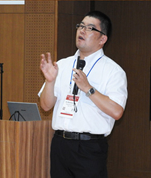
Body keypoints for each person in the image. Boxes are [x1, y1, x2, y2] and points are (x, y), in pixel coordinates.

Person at [38, 11, 127, 178]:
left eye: (90, 28)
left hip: (90, 148)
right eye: (80, 26)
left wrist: (88, 89)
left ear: (102, 39)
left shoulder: (113, 71)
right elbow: (45, 105)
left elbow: (117, 111)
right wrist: (50, 81)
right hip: (60, 145)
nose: (82, 30)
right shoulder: (62, 65)